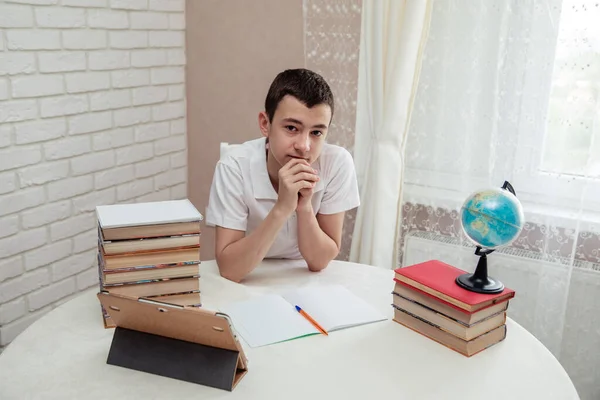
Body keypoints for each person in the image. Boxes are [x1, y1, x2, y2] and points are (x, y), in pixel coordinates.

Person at [205, 68, 360, 282]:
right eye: (291, 128)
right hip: (252, 271)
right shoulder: (233, 166)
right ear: (265, 124)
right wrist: (282, 208)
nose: (304, 147)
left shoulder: (337, 163)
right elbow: (230, 269)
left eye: (316, 132)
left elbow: (319, 261)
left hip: (303, 276)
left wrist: (303, 207)